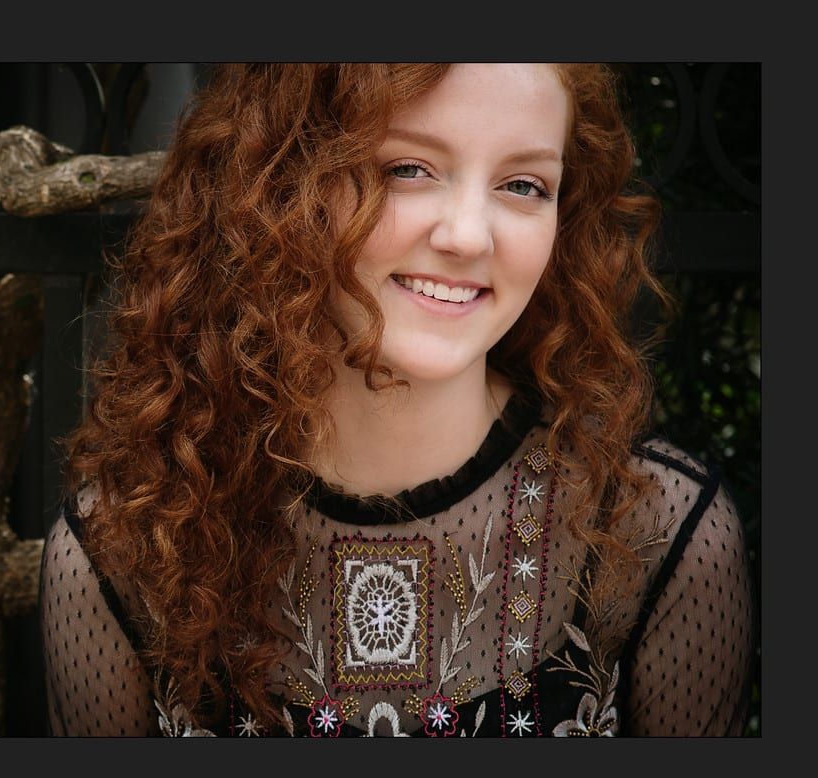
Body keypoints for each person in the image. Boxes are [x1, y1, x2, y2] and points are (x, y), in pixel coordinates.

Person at [40, 63, 755, 737]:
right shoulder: (122, 552)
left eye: (524, 185)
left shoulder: (659, 534)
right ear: (282, 185)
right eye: (408, 169)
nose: (469, 236)